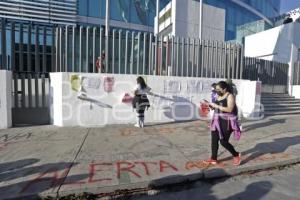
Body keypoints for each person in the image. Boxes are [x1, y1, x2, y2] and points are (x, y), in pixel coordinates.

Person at [204, 81, 242, 166]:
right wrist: (210, 106)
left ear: (224, 89)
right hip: (217, 120)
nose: (216, 91)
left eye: (218, 89)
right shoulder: (219, 96)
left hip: (227, 121)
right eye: (216, 89)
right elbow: (218, 108)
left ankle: (236, 155)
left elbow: (229, 109)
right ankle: (213, 159)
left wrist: (216, 105)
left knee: (223, 141)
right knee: (214, 140)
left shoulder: (230, 96)